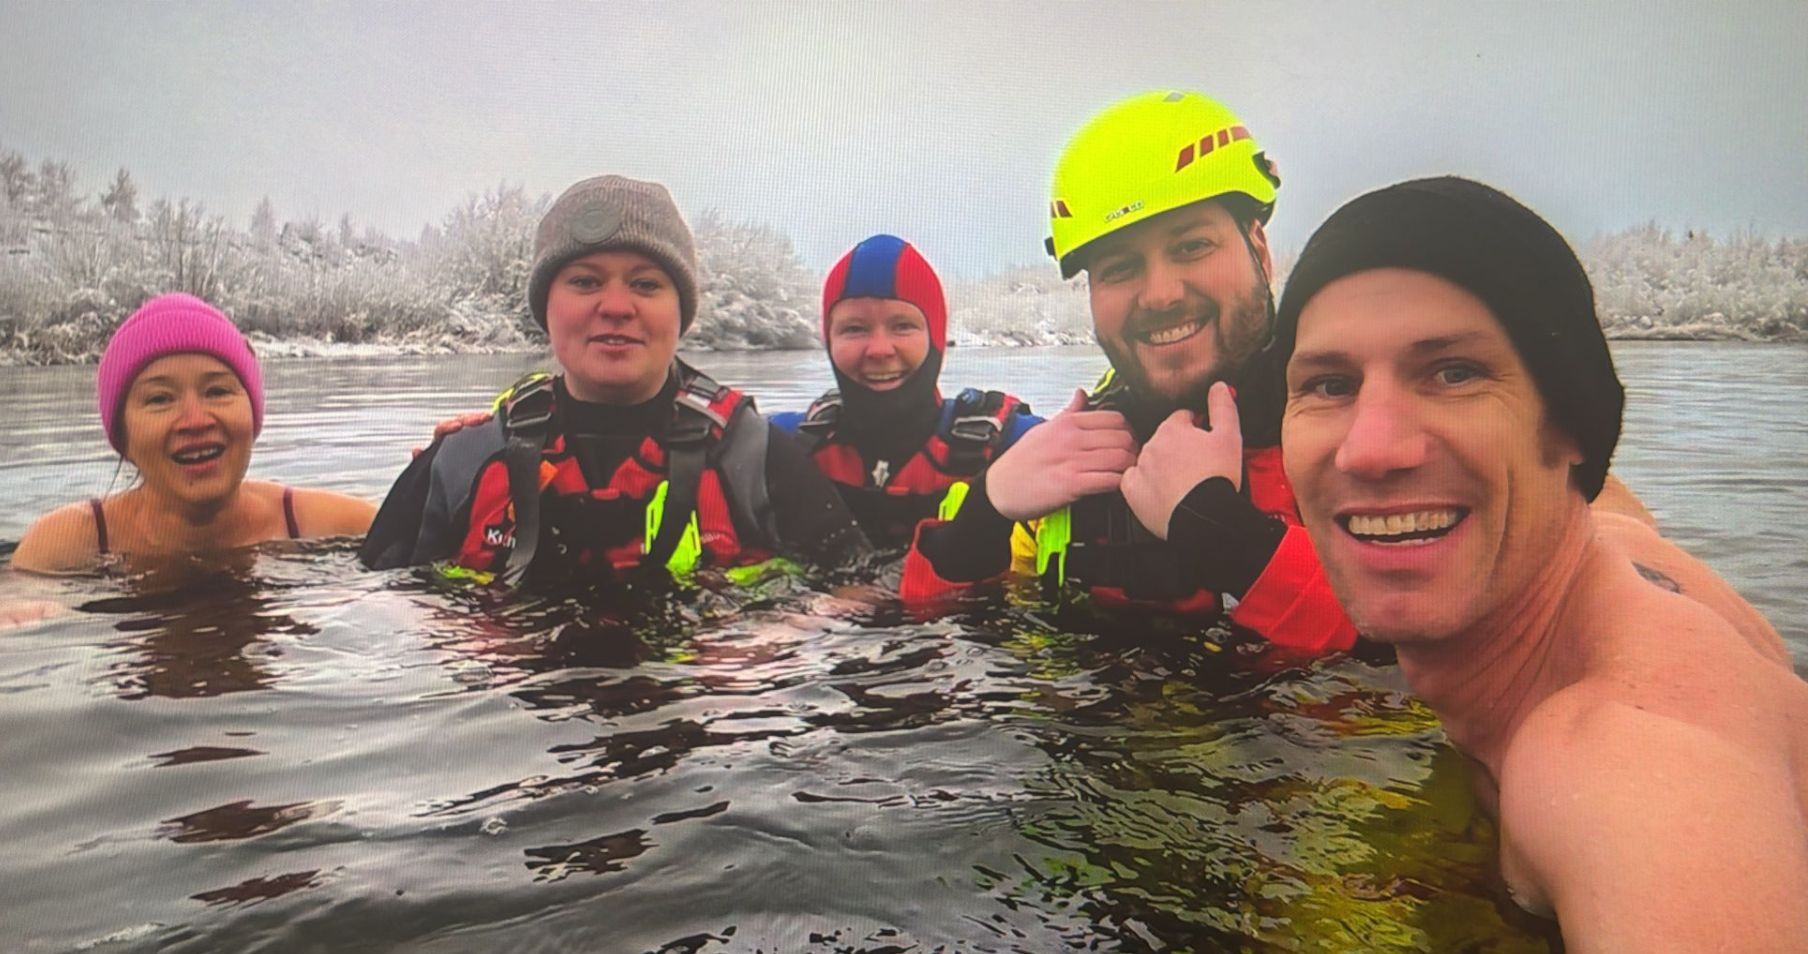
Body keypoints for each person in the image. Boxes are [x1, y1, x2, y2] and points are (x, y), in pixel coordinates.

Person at [1275, 176, 1806, 954]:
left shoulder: (1621, 762)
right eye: (1330, 385)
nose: (1369, 449)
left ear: (1569, 429)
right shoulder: (1626, 550)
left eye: (1453, 372)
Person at [896, 90, 1359, 654]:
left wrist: (1227, 538)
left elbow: (1433, 656)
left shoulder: (1361, 431)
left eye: (1192, 246)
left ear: (1259, 250)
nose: (1160, 295)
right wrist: (984, 511)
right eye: (1120, 268)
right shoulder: (1075, 459)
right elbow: (926, 623)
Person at [360, 174, 870, 585]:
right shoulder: (462, 461)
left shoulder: (758, 461)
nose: (617, 307)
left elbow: (859, 598)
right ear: (545, 307)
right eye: (585, 282)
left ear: (682, 313)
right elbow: (372, 604)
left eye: (646, 285)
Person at [10, 293, 377, 575]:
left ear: (253, 414)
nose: (195, 420)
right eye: (160, 399)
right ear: (123, 437)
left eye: (217, 391)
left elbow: (412, 554)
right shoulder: (68, 542)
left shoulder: (321, 523)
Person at [767, 234, 1041, 550]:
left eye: (902, 326)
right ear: (829, 340)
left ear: (935, 336)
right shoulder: (780, 447)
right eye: (854, 329)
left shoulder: (1016, 446)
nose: (879, 350)